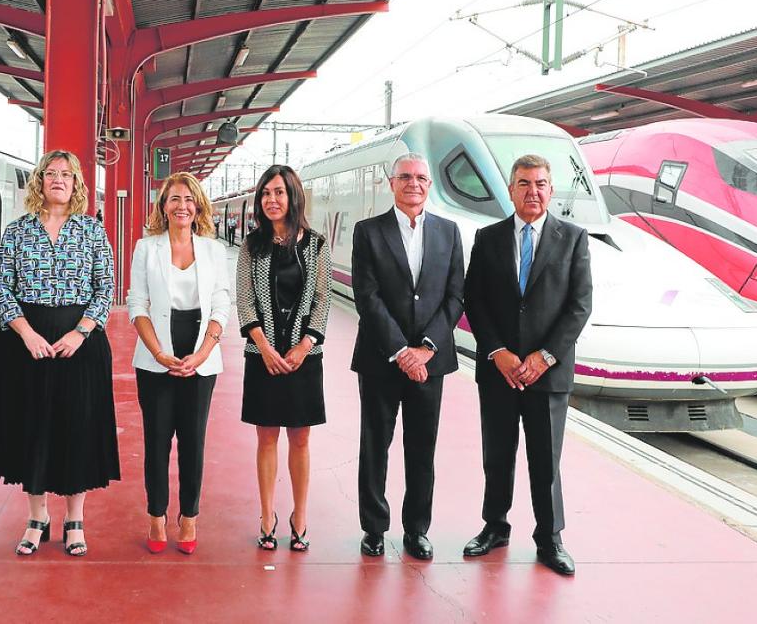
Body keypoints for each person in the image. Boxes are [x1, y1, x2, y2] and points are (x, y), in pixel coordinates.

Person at [461, 154, 592, 576]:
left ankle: (550, 539)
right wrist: (498, 351)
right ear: (511, 189)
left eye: (539, 184)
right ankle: (494, 527)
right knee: (497, 455)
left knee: (545, 460)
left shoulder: (573, 239)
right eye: (523, 184)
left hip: (548, 374)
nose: (532, 191)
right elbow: (474, 300)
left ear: (550, 190)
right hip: (499, 371)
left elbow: (579, 305)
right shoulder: (487, 237)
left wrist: (544, 356)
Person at [0, 149, 119, 558]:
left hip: (79, 344)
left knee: (76, 426)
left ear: (77, 183)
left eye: (66, 174)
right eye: (51, 173)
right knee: (33, 427)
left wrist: (81, 332)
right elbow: (0, 286)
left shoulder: (92, 231)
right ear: (39, 182)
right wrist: (25, 333)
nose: (58, 179)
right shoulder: (16, 231)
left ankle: (75, 518)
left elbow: (105, 286)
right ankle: (37, 516)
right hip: (25, 344)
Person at [351, 153, 464, 561]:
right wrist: (401, 350)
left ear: (429, 185)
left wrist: (425, 349)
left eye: (420, 177)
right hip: (381, 358)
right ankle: (374, 528)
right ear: (391, 183)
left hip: (430, 362)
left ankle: (417, 530)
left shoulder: (449, 233)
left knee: (422, 448)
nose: (413, 183)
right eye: (405, 177)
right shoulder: (368, 232)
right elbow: (367, 296)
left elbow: (455, 297)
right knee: (375, 445)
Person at [127, 173, 232, 555]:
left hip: (201, 353)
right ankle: (156, 515)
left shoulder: (213, 250)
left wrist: (204, 352)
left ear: (198, 205)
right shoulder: (146, 248)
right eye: (174, 199)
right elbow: (137, 304)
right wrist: (157, 352)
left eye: (189, 198)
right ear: (163, 206)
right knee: (156, 440)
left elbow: (222, 303)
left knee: (193, 440)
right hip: (156, 353)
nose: (182, 205)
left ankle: (189, 516)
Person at [236, 165, 331, 552]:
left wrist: (303, 345)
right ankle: (267, 515)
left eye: (279, 192)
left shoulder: (318, 245)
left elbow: (322, 298)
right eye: (265, 194)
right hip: (262, 356)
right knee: (266, 438)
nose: (271, 200)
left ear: (293, 196)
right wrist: (264, 346)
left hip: (303, 358)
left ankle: (300, 516)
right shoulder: (250, 245)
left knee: (301, 439)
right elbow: (244, 299)